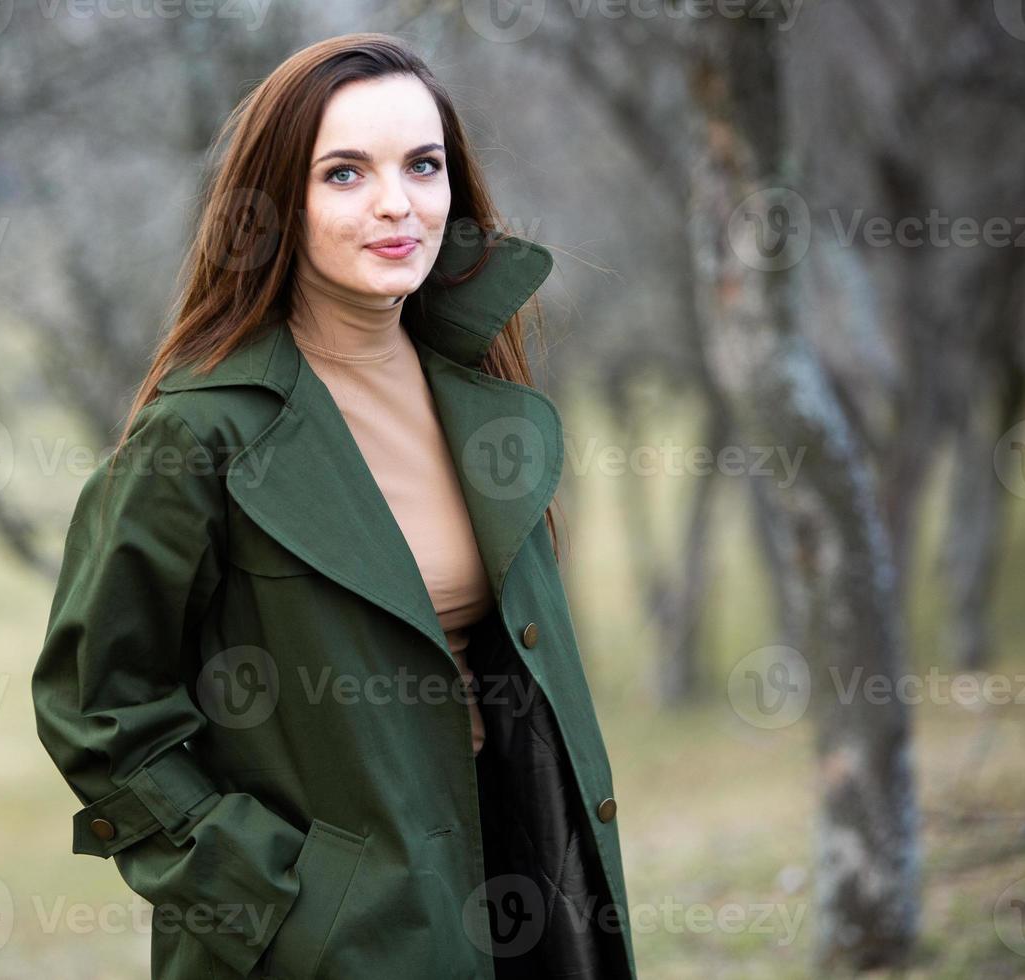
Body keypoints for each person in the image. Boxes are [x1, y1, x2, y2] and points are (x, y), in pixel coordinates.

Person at [32, 32, 636, 980]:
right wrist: (276, 903)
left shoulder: (481, 390)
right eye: (345, 173)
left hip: (526, 887)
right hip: (336, 946)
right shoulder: (201, 435)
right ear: (278, 206)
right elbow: (96, 708)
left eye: (422, 166)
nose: (398, 204)